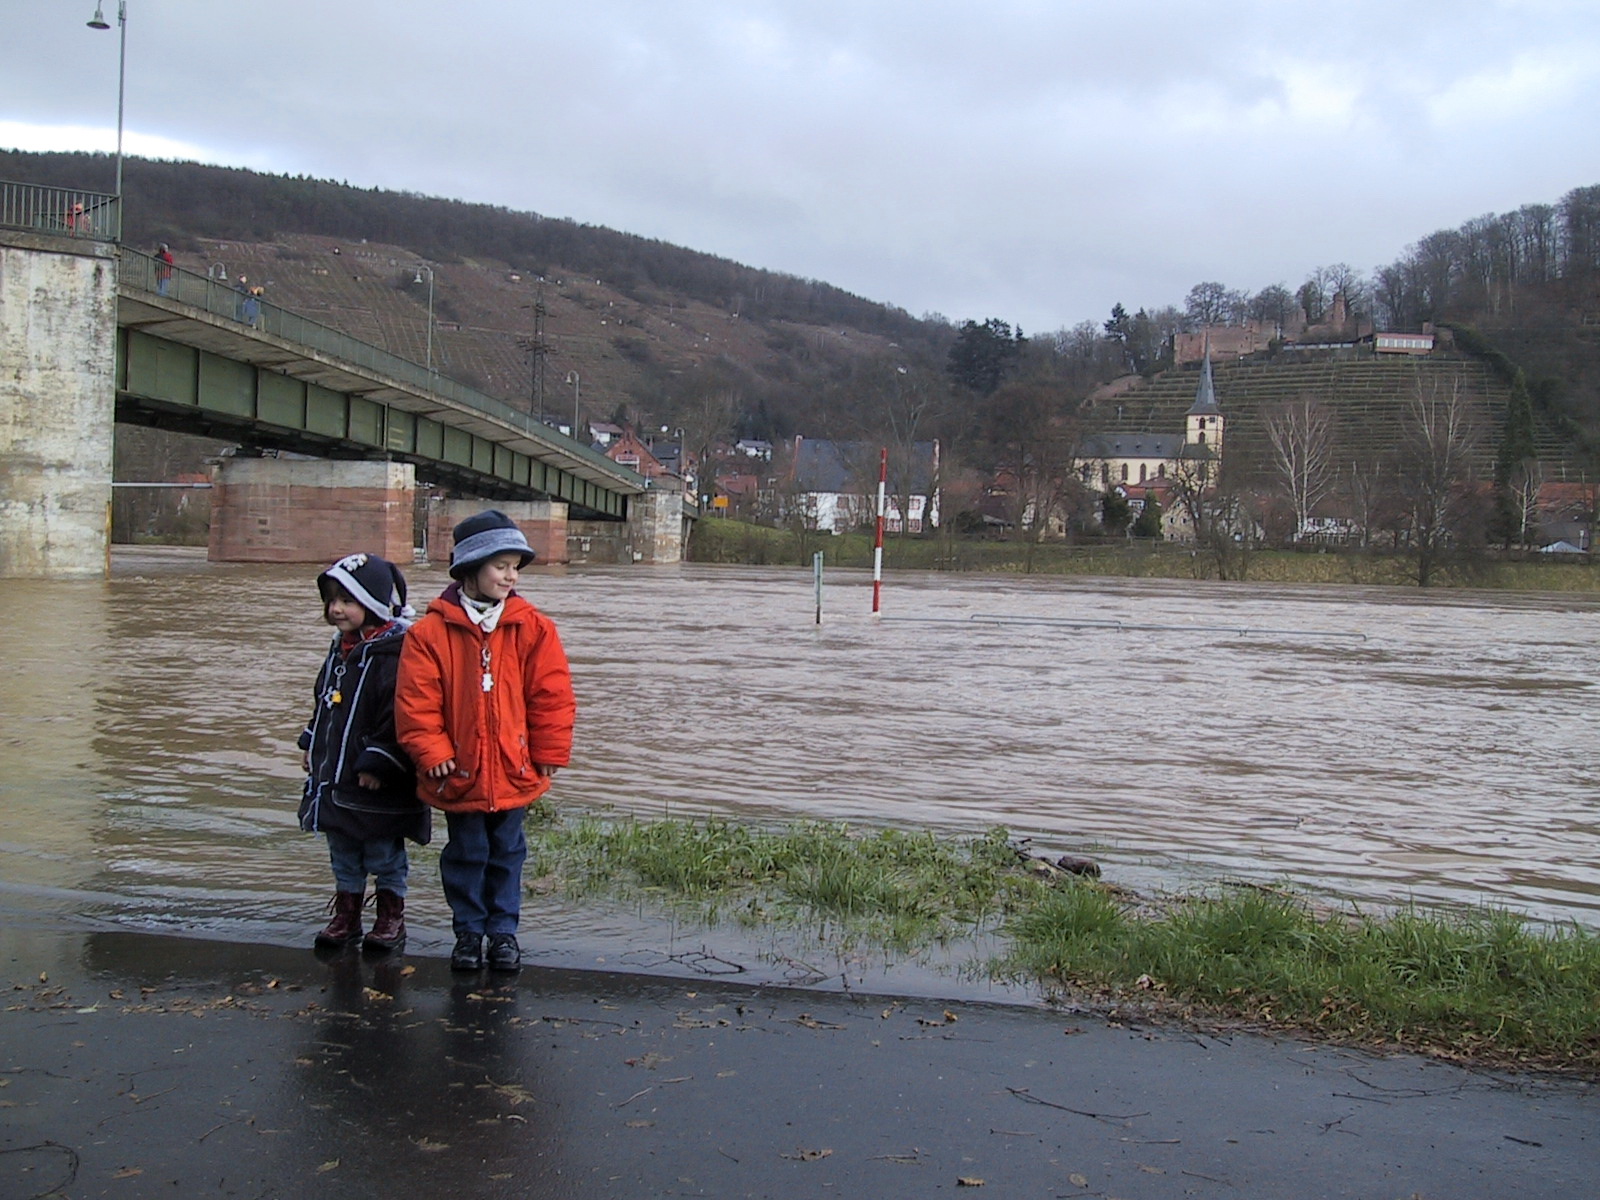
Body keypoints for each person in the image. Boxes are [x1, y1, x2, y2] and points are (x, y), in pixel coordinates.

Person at [396, 511, 575, 972]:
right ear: (470, 569)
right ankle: (468, 933)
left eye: (515, 566)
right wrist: (432, 751)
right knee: (466, 854)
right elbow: (416, 702)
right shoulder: (428, 634)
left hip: (514, 768)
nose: (511, 575)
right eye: (501, 566)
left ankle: (502, 934)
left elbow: (551, 695)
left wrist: (550, 751)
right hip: (460, 771)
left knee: (508, 853)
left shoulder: (533, 627)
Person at [298, 553, 429, 953]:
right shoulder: (341, 649)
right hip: (337, 775)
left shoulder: (396, 653)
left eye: (347, 600)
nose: (335, 609)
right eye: (332, 600)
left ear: (372, 603)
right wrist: (311, 739)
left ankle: (391, 915)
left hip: (377, 781)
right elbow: (324, 699)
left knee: (383, 849)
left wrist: (378, 761)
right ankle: (347, 913)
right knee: (342, 846)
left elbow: (399, 714)